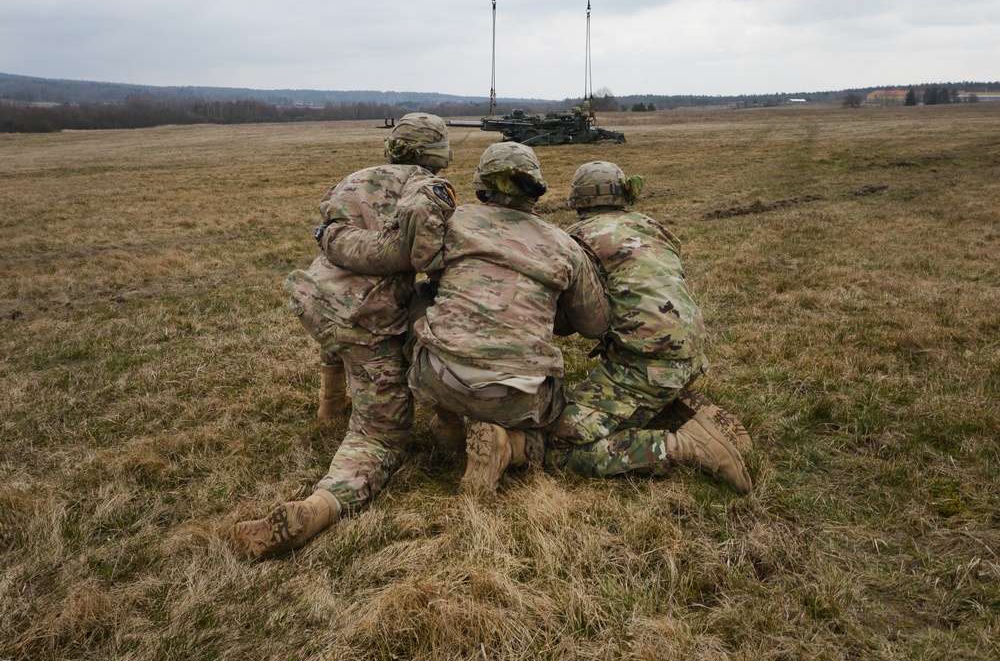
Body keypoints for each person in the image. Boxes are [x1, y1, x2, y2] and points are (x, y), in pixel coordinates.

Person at [233, 113, 456, 560]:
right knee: (381, 436)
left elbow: (331, 237)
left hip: (317, 300)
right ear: (438, 154)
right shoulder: (426, 187)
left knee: (349, 335)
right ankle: (319, 507)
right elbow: (424, 244)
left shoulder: (354, 180)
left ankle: (330, 403)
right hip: (363, 320)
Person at [408, 141, 610, 496]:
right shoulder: (564, 245)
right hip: (516, 396)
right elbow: (595, 324)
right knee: (552, 432)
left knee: (419, 297)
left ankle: (448, 420)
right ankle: (509, 445)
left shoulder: (456, 223)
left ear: (481, 183)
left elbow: (425, 268)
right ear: (536, 189)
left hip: (438, 376)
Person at [549, 160, 752, 493]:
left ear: (577, 199)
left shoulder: (576, 239)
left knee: (562, 447)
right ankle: (676, 405)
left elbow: (580, 319)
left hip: (647, 363)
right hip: (691, 352)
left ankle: (686, 446)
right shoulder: (652, 226)